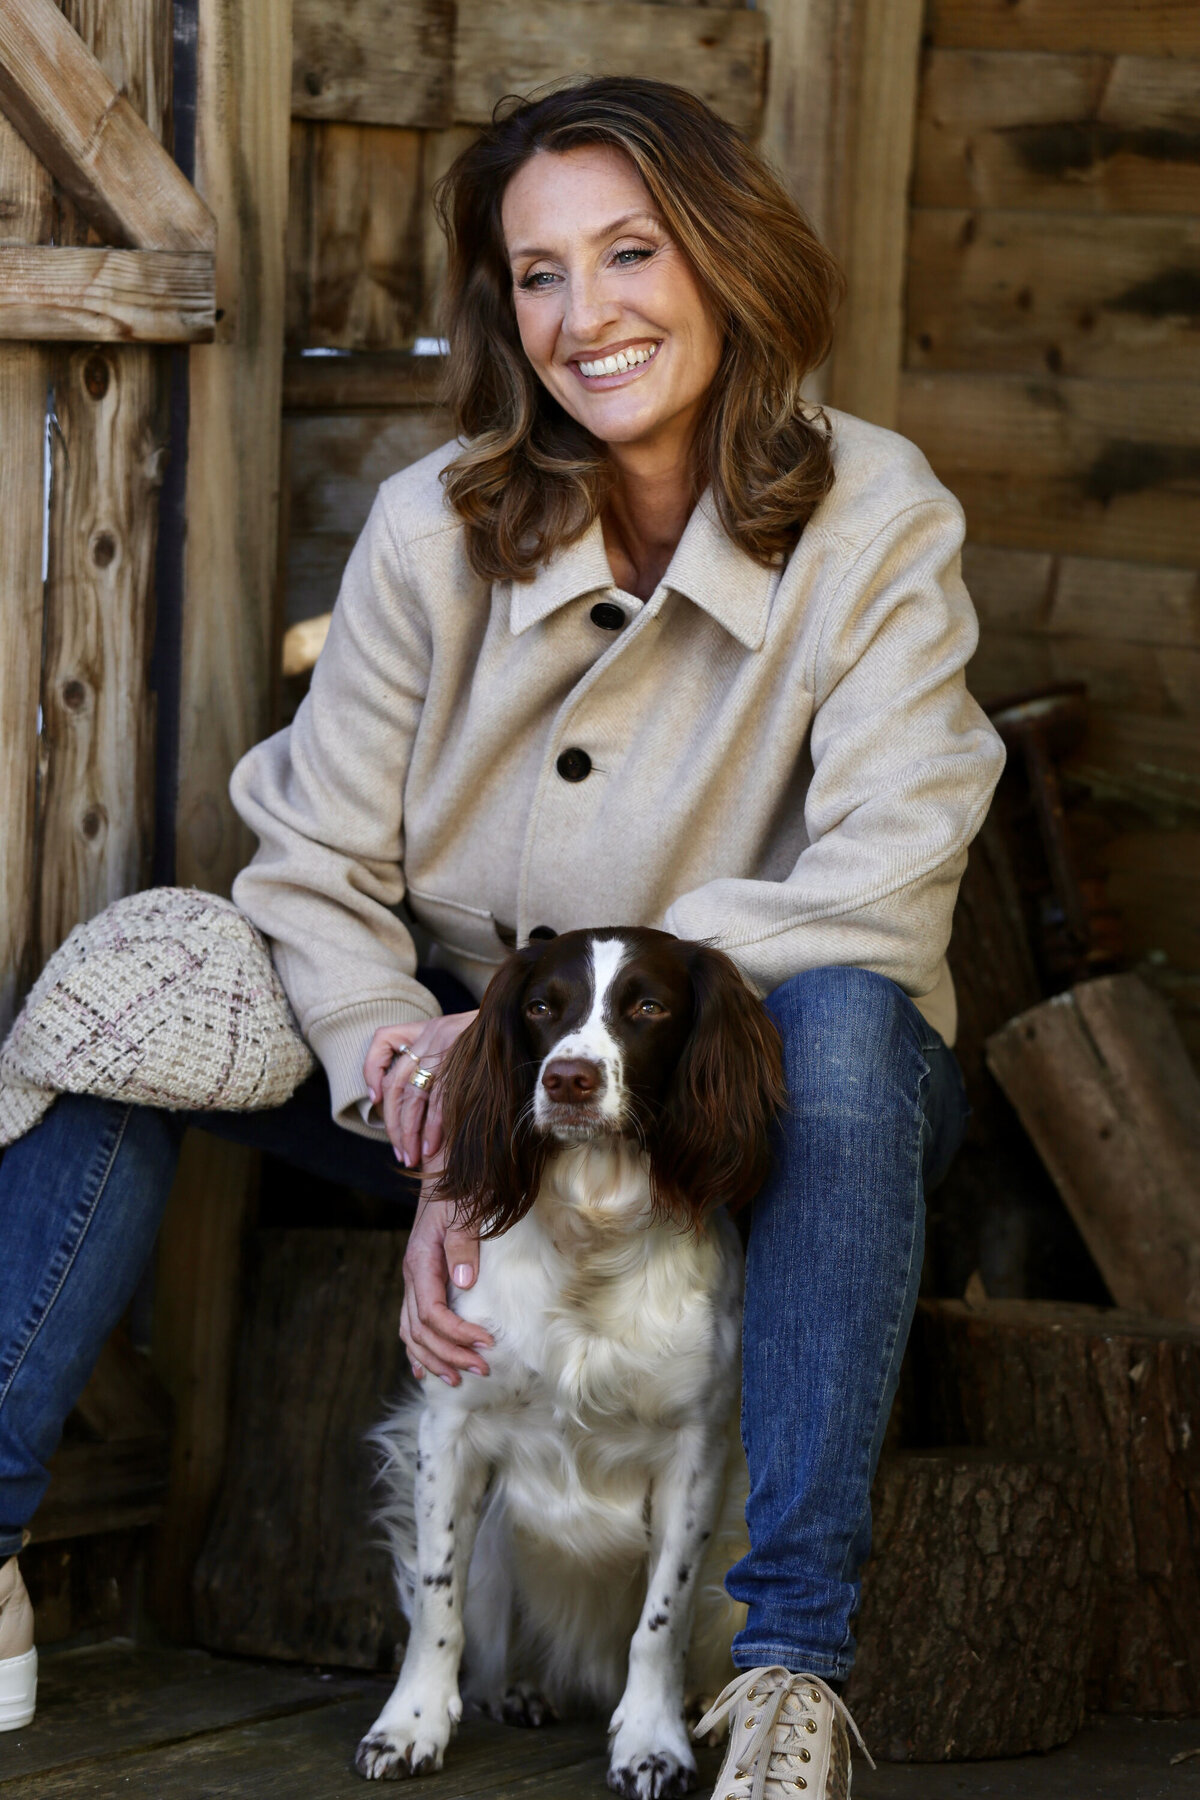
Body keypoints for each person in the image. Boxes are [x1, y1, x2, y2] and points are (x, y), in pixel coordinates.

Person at [0, 78, 1002, 1796]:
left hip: (745, 1069)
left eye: (632, 252)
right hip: (463, 1053)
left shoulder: (876, 514)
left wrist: (544, 1037)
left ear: (729, 258)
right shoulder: (435, 522)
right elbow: (313, 861)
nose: (584, 313)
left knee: (846, 1025)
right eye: (539, 274)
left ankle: (787, 1669)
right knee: (138, 978)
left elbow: (892, 872)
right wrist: (435, 1100)